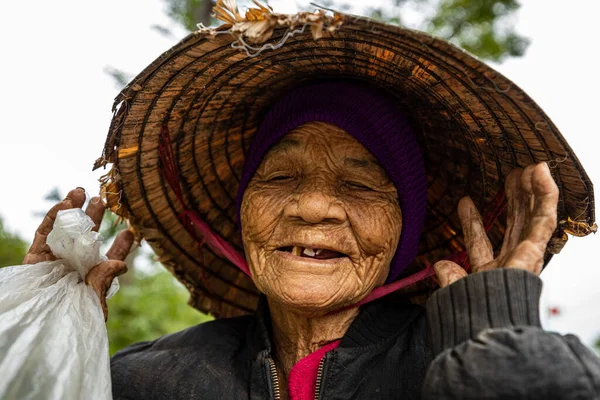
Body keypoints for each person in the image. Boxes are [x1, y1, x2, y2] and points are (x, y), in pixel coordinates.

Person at [26, 2, 600, 399]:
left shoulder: (461, 362)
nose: (313, 207)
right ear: (241, 211)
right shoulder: (149, 380)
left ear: (406, 226)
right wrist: (48, 350)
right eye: (280, 177)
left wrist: (496, 334)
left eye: (358, 184)